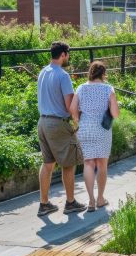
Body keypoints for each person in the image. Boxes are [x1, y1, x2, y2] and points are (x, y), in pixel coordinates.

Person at [36, 41, 86, 217]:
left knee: (48, 164)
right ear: (63, 54)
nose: (68, 57)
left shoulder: (43, 72)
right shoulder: (63, 76)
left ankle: (44, 204)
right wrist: (78, 118)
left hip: (42, 122)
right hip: (57, 124)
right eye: (68, 54)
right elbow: (69, 105)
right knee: (69, 163)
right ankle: (71, 203)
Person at [69, 60, 121, 212]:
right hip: (102, 130)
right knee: (102, 164)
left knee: (89, 163)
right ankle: (100, 199)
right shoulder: (108, 89)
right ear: (103, 74)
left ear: (90, 73)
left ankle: (90, 201)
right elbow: (115, 114)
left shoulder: (81, 88)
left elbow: (72, 108)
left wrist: (78, 119)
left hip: (84, 129)